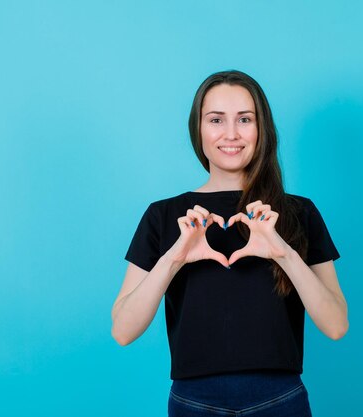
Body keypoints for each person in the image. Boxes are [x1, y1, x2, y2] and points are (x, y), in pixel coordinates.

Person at [111, 70, 348, 417]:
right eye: (216, 120)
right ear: (199, 129)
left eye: (245, 119)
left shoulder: (298, 212)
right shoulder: (164, 216)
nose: (232, 134)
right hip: (194, 403)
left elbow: (336, 325)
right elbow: (123, 331)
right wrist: (175, 257)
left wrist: (282, 251)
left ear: (261, 128)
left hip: (280, 400)